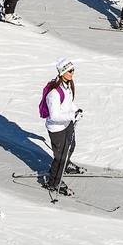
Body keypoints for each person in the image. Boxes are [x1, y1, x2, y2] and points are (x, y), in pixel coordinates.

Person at [39, 58, 82, 194]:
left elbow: (68, 103)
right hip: (57, 128)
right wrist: (71, 116)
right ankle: (53, 182)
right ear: (62, 72)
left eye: (73, 70)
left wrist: (76, 110)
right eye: (70, 71)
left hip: (66, 124)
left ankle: (65, 166)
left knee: (71, 146)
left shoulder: (67, 84)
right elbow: (54, 116)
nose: (73, 73)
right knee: (60, 157)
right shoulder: (54, 93)